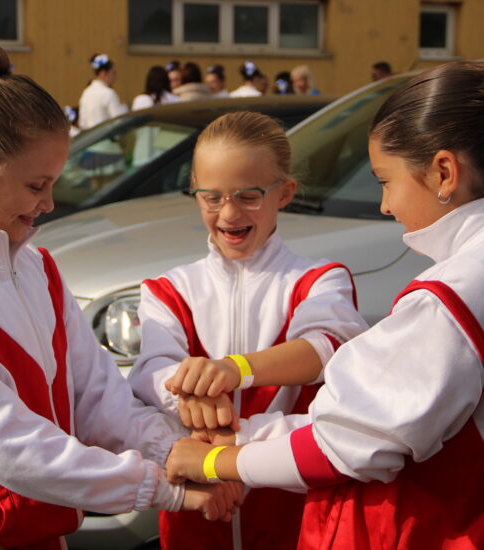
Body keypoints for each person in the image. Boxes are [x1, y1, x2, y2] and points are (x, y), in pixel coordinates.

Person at [0, 41, 243, 550]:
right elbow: (7, 445)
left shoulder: (35, 266)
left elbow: (96, 394)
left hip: (38, 529)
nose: (49, 203)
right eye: (37, 185)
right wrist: (162, 485)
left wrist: (174, 449)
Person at [165, 61, 484, 550]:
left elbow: (346, 445)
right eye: (210, 196)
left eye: (385, 181)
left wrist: (214, 458)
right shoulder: (170, 286)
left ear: (444, 172)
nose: (385, 205)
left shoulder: (449, 296)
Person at [129, 111, 368, 549]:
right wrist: (193, 400)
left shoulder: (318, 280)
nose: (229, 212)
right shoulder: (168, 289)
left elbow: (326, 346)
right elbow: (151, 370)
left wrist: (233, 370)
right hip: (198, 508)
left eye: (248, 196)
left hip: (289, 511)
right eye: (211, 197)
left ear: (285, 193)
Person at [78, 53, 128, 130]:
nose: (115, 77)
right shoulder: (109, 93)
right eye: (113, 73)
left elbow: (82, 123)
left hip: (89, 136)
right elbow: (118, 120)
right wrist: (124, 107)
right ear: (104, 73)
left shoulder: (86, 92)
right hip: (106, 135)